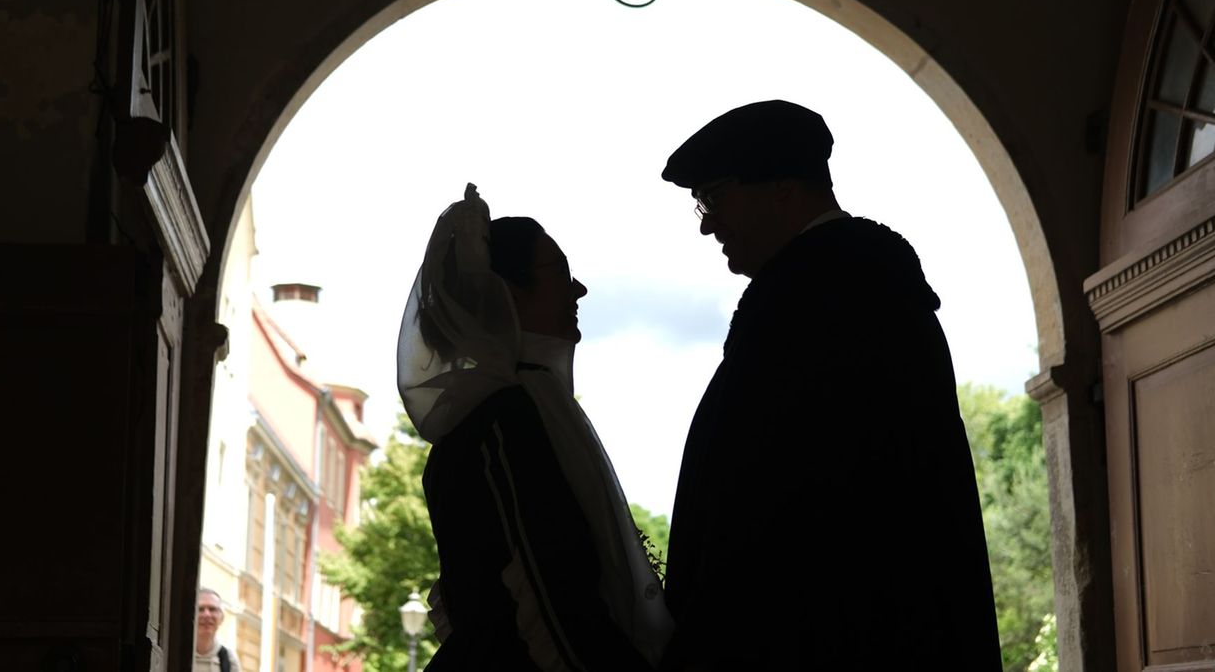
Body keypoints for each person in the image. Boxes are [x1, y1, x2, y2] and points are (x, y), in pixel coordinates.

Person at [658, 100, 1001, 669]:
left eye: (714, 198)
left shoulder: (817, 298)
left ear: (782, 188)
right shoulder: (855, 285)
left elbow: (776, 513)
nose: (706, 222)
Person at [399, 184, 672, 671]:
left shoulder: (516, 411)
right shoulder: (504, 421)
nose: (578, 289)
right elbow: (550, 602)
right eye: (561, 275)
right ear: (507, 295)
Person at [193, 588, 242, 672]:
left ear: (221, 618)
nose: (207, 615)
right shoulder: (175, 653)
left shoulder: (229, 660)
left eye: (212, 609)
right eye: (200, 609)